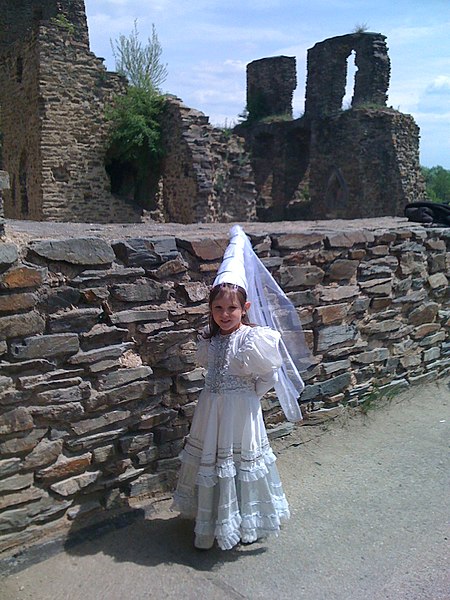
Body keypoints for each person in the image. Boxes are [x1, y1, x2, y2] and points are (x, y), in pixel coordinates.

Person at [172, 226, 310, 550]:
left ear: (244, 309)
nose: (224, 314)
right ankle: (217, 518)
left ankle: (245, 520)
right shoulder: (210, 342)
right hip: (211, 411)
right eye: (218, 308)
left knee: (239, 463)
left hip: (241, 412)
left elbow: (269, 375)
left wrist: (247, 398)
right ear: (211, 310)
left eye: (231, 308)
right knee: (216, 460)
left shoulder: (252, 339)